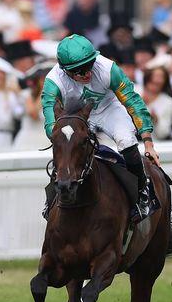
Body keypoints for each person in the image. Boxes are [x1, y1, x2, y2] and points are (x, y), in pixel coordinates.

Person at [41, 34, 157, 220]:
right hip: (76, 116)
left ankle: (142, 192)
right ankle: (52, 196)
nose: (86, 73)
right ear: (64, 70)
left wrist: (148, 142)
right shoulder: (53, 81)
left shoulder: (108, 68)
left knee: (126, 141)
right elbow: (50, 124)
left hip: (109, 108)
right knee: (66, 143)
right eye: (79, 70)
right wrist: (63, 137)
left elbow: (133, 102)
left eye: (89, 66)